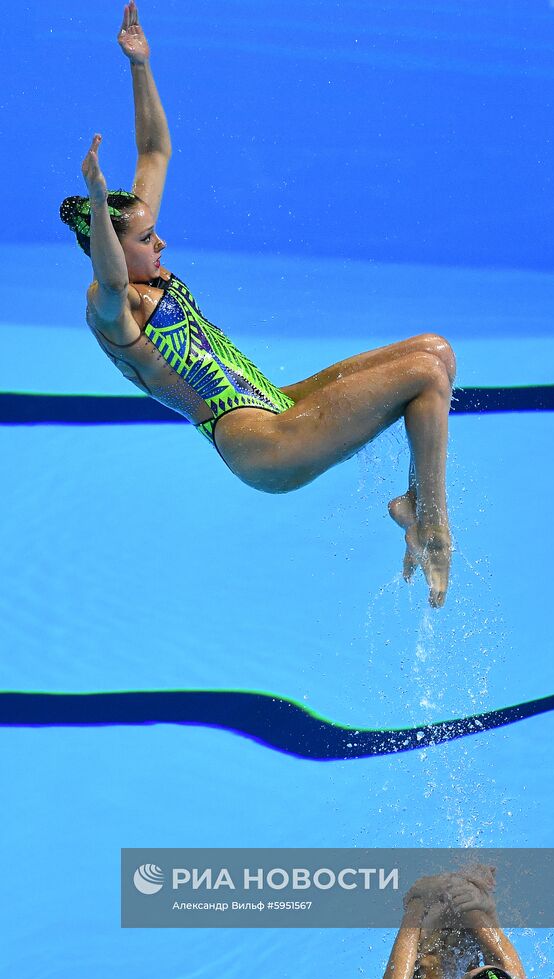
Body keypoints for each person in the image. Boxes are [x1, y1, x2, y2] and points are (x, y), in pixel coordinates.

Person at [59, 2, 456, 608]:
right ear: (113, 249)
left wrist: (140, 66)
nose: (160, 240)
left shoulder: (143, 264)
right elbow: (111, 281)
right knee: (425, 376)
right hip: (260, 442)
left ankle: (414, 505)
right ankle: (432, 525)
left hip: (276, 399)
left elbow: (155, 151)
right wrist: (93, 190)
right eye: (144, 239)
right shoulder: (112, 311)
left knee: (436, 352)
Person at [382, 868, 532, 979]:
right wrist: (476, 903)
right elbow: (511, 968)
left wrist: (417, 904)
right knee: (465, 944)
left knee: (429, 964)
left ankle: (433, 952)